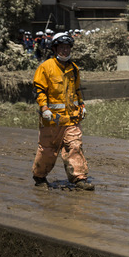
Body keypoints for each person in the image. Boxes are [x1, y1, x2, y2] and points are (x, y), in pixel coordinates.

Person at [31, 32, 94, 190]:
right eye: (62, 47)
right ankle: (39, 178)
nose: (65, 51)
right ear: (55, 48)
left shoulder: (74, 68)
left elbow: (77, 90)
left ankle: (79, 178)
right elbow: (39, 90)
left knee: (74, 147)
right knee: (48, 150)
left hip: (72, 118)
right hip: (51, 120)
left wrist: (82, 106)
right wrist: (44, 108)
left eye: (67, 47)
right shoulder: (46, 67)